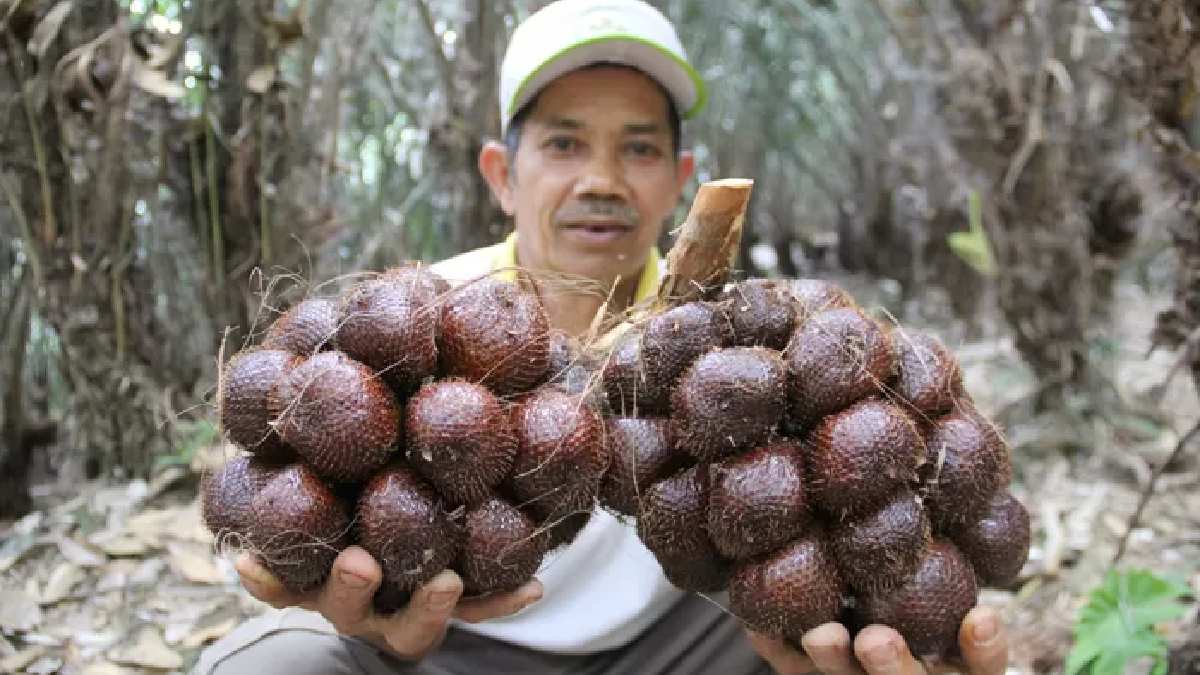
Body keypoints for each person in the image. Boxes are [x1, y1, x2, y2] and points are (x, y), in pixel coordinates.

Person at [196, 1, 1011, 673]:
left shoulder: (740, 342)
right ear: (501, 174)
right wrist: (364, 610)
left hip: (691, 649)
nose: (601, 178)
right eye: (563, 142)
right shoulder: (416, 318)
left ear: (681, 182)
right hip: (448, 649)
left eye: (640, 147)